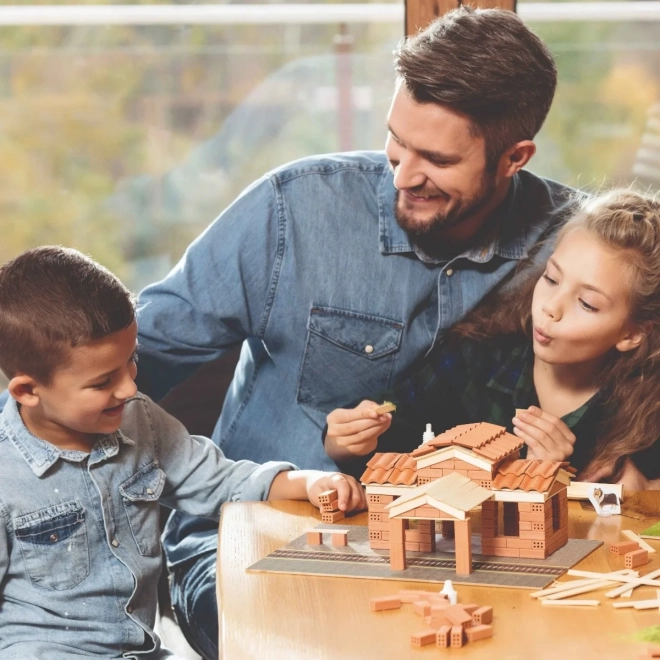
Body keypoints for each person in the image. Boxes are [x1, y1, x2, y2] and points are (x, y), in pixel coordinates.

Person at [133, 7, 577, 657]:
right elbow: (122, 363)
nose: (401, 174)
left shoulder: (571, 248)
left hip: (473, 559)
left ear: (515, 157)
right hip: (259, 539)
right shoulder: (292, 210)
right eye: (397, 141)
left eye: (436, 159)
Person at [0, 246, 365, 660]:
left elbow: (219, 481)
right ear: (28, 391)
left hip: (142, 650)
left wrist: (309, 482)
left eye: (131, 361)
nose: (129, 388)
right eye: (103, 381)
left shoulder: (141, 420)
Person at [325, 189, 660, 490]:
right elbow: (391, 434)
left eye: (586, 304)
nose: (550, 308)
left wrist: (642, 493)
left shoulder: (649, 410)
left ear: (632, 334)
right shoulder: (475, 359)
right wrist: (346, 440)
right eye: (551, 278)